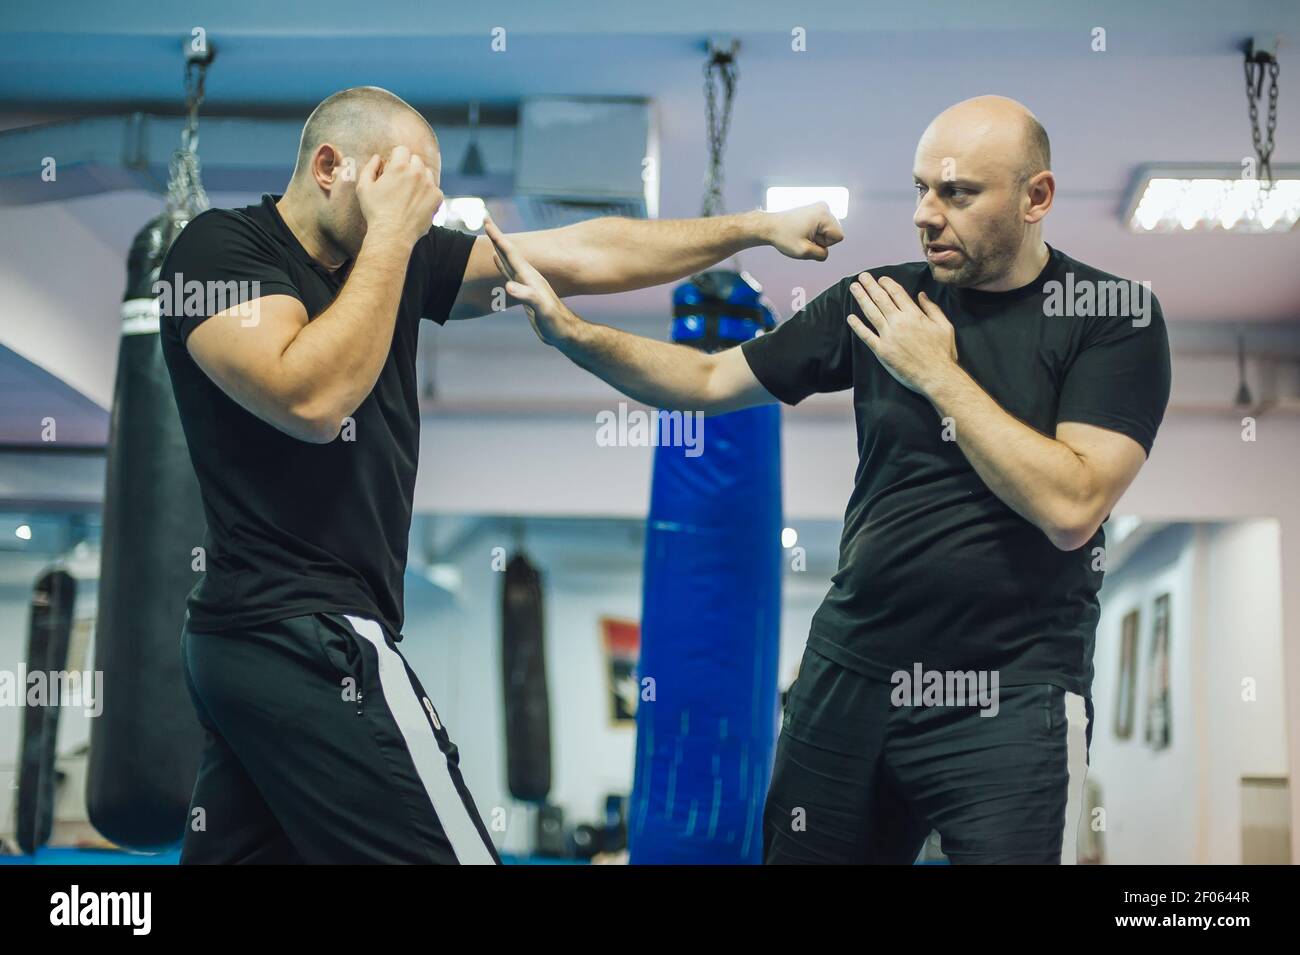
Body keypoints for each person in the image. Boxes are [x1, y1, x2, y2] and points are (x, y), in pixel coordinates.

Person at [159, 85, 843, 863]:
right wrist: (391, 239)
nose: (422, 209)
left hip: (256, 647)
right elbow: (310, 397)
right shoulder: (220, 251)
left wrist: (754, 229)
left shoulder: (397, 261)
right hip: (302, 630)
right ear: (329, 166)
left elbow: (589, 252)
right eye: (403, 184)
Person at [487, 94, 1171, 864]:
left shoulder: (1112, 319)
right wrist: (572, 332)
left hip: (1011, 693)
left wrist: (935, 374)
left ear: (1036, 197)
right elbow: (710, 379)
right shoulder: (879, 301)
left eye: (958, 193)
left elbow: (1072, 504)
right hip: (851, 675)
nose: (926, 214)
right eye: (920, 189)